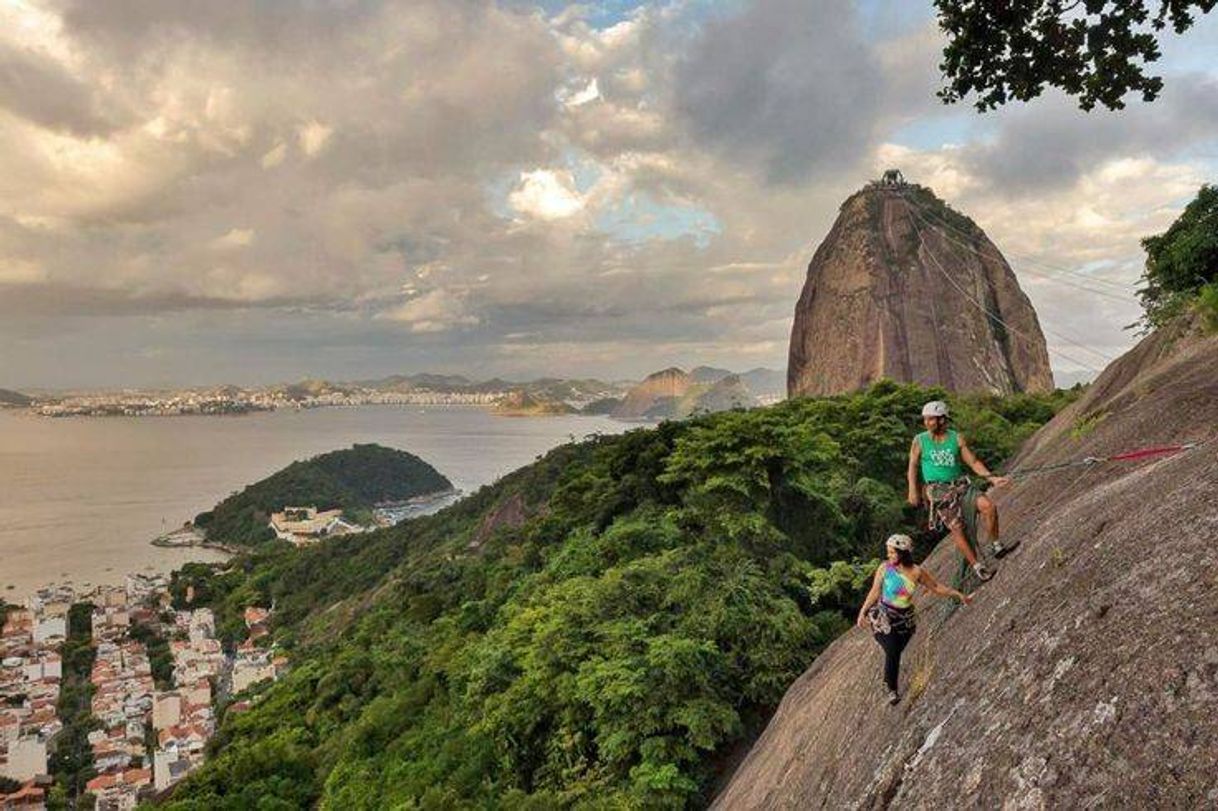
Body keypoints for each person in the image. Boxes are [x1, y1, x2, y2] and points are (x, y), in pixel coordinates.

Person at [906, 400, 1017, 582]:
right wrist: (912, 490)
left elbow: (972, 462)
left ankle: (996, 545)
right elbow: (912, 465)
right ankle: (977, 567)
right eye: (925, 419)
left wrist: (991, 477)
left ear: (942, 420)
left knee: (988, 506)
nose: (926, 423)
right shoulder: (919, 440)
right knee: (956, 528)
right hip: (938, 490)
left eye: (931, 419)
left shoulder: (955, 438)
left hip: (960, 485)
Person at [856, 533, 971, 705]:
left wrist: (957, 594)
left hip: (905, 622)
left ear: (903, 553)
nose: (889, 556)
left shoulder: (916, 572)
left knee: (896, 651)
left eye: (892, 552)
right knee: (892, 651)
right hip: (884, 620)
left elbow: (936, 587)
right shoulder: (885, 568)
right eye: (888, 552)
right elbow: (874, 591)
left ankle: (890, 682)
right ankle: (891, 689)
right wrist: (863, 612)